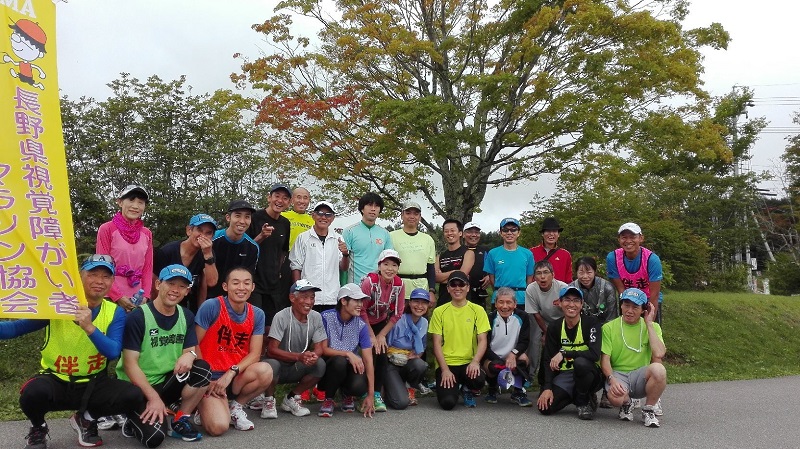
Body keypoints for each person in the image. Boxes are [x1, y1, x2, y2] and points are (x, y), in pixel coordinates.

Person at [0, 255, 144, 449]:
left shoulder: (114, 312)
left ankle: (85, 419)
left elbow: (113, 352)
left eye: (106, 276)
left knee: (133, 395)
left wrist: (89, 328)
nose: (100, 281)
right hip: (56, 380)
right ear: (80, 276)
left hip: (93, 382)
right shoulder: (59, 306)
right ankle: (38, 428)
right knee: (31, 393)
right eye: (93, 274)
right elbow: (15, 329)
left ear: (112, 282)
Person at [116, 264, 211, 445]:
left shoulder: (186, 315)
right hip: (137, 388)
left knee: (202, 369)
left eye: (182, 286)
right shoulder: (137, 317)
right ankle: (132, 416)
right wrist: (153, 398)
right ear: (158, 284)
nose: (175, 290)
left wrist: (190, 354)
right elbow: (129, 364)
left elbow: (191, 350)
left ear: (187, 291)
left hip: (167, 382)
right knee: (154, 438)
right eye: (171, 283)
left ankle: (179, 419)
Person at [195, 267, 273, 435]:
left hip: (233, 376)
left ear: (252, 287)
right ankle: (200, 405)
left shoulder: (257, 314)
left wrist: (230, 373)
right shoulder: (212, 306)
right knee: (218, 427)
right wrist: (204, 377)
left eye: (246, 283)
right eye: (235, 283)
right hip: (210, 375)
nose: (241, 288)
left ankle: (236, 406)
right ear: (225, 286)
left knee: (265, 370)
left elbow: (255, 354)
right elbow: (194, 344)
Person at [255, 280, 328, 419]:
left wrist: (312, 355)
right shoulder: (281, 316)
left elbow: (320, 347)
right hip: (279, 365)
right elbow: (271, 350)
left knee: (320, 364)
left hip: (298, 365)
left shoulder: (316, 317)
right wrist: (299, 357)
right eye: (304, 297)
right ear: (292, 298)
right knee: (272, 364)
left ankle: (292, 397)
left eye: (312, 297)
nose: (309, 301)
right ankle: (269, 399)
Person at [601, 288, 667, 427]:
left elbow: (659, 353)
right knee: (615, 399)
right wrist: (612, 380)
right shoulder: (608, 327)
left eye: (635, 307)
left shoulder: (653, 327)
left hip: (640, 375)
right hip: (619, 375)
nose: (629, 310)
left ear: (644, 309)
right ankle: (627, 403)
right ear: (621, 305)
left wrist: (649, 324)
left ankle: (648, 409)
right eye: (626, 305)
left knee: (659, 369)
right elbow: (605, 359)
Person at [537, 286, 603, 420]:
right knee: (545, 409)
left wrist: (565, 353)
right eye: (567, 300)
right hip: (566, 374)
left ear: (582, 304)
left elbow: (594, 354)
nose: (571, 304)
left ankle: (583, 401)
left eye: (576, 300)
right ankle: (576, 395)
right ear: (560, 303)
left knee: (581, 363)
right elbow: (547, 359)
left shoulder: (592, 323)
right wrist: (547, 387)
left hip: (590, 374)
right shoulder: (554, 327)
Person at [429, 271, 491, 410]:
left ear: (468, 287)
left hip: (468, 363)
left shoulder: (478, 310)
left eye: (461, 284)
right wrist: (444, 369)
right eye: (453, 284)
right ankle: (455, 387)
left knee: (478, 380)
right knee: (448, 403)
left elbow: (482, 340)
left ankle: (467, 388)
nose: (458, 288)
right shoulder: (439, 312)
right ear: (448, 288)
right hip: (447, 363)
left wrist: (475, 362)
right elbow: (437, 344)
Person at [318, 284, 376, 418]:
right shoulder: (326, 317)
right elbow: (323, 349)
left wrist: (371, 394)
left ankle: (347, 394)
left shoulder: (361, 325)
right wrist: (347, 353)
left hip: (350, 367)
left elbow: (368, 359)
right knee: (339, 361)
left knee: (360, 386)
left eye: (361, 301)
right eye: (356, 300)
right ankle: (329, 399)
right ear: (343, 301)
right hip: (329, 366)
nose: (360, 305)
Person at [358, 249, 406, 412]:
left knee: (382, 353)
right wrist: (372, 336)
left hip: (380, 323)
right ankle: (362, 393)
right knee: (369, 352)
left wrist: (381, 335)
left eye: (394, 265)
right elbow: (361, 310)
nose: (390, 268)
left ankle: (377, 393)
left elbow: (398, 312)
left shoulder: (399, 284)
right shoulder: (369, 282)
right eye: (386, 264)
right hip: (361, 322)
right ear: (379, 266)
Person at [96, 184, 153, 312]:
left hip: (138, 297)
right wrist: (118, 296)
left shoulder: (147, 233)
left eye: (140, 202)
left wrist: (146, 296)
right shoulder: (107, 229)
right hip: (110, 296)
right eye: (131, 200)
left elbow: (147, 268)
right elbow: (102, 266)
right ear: (120, 202)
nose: (135, 206)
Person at [570, 256, 618, 408]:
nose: (585, 276)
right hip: (581, 330)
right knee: (583, 358)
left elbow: (611, 317)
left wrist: (598, 338)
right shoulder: (572, 288)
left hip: (604, 328)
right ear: (576, 272)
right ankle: (588, 390)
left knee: (607, 354)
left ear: (595, 272)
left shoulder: (608, 288)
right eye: (581, 272)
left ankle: (606, 390)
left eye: (589, 272)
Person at [289, 201, 350, 312]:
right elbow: (296, 266)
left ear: (333, 218)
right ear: (313, 215)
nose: (323, 217)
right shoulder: (303, 238)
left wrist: (346, 254)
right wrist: (298, 292)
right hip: (308, 298)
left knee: (328, 329)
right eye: (320, 213)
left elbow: (344, 268)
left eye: (328, 215)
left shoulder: (338, 239)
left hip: (332, 297)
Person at [152, 213, 219, 312]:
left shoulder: (207, 253)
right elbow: (154, 284)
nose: (203, 236)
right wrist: (157, 311)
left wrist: (208, 255)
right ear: (189, 230)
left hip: (188, 309)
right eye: (199, 230)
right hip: (164, 306)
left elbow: (210, 282)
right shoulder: (167, 252)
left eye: (208, 233)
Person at [248, 183, 292, 324]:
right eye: (277, 196)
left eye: (285, 198)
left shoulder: (285, 223)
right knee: (255, 324)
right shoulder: (255, 218)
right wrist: (261, 236)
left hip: (273, 284)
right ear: (269, 198)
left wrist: (278, 270)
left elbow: (283, 251)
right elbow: (245, 248)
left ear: (289, 203)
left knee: (271, 327)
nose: (280, 201)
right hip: (254, 282)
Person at [483, 287, 532, 406]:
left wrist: (513, 354)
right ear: (495, 304)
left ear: (515, 304)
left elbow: (524, 341)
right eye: (501, 302)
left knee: (524, 359)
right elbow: (485, 345)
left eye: (509, 302)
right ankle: (492, 389)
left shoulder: (523, 317)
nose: (505, 306)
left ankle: (518, 391)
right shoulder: (489, 318)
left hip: (513, 355)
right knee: (493, 366)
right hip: (493, 355)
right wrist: (499, 360)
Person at [606, 222, 664, 323]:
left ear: (641, 238)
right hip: (627, 299)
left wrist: (650, 323)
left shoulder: (652, 260)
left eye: (633, 237)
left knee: (650, 335)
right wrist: (628, 308)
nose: (628, 241)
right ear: (619, 240)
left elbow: (654, 294)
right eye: (624, 237)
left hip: (648, 300)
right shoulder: (613, 258)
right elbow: (621, 290)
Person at [383, 288, 430, 409]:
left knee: (421, 365)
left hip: (407, 362)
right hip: (392, 363)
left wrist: (417, 355)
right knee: (401, 403)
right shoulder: (398, 320)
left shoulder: (424, 322)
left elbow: (422, 346)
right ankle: (389, 389)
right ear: (409, 303)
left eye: (424, 302)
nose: (419, 306)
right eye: (416, 301)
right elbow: (386, 344)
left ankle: (409, 388)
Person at [524, 260, 567, 383]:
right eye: (538, 273)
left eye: (546, 272)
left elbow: (571, 312)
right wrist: (546, 333)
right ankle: (530, 376)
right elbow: (536, 314)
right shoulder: (531, 289)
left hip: (562, 321)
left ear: (553, 275)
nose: (542, 277)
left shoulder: (563, 288)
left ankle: (562, 374)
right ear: (534, 277)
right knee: (534, 341)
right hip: (542, 320)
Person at [208, 200, 259, 299]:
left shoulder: (253, 248)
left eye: (247, 217)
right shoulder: (212, 239)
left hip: (236, 299)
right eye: (238, 216)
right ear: (228, 217)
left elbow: (247, 280)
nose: (242, 221)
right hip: (210, 298)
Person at [389, 200, 437, 304]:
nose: (412, 216)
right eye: (408, 213)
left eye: (416, 214)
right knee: (396, 319)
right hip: (397, 289)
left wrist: (432, 291)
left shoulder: (428, 239)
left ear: (420, 217)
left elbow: (431, 268)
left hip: (421, 289)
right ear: (402, 216)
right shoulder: (391, 237)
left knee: (421, 320)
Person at [342, 192, 394, 284]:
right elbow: (343, 265)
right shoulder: (349, 231)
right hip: (356, 286)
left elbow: (389, 260)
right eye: (370, 205)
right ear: (362, 208)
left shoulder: (385, 233)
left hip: (378, 287)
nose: (373, 209)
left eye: (377, 206)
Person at [483, 217, 534, 307]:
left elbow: (529, 278)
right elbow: (492, 278)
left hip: (520, 299)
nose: (509, 233)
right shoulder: (493, 253)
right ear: (501, 233)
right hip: (499, 299)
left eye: (513, 230)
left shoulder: (527, 254)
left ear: (518, 233)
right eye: (506, 230)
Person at [435, 219, 475, 305]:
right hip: (443, 301)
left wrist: (444, 277)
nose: (449, 233)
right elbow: (436, 277)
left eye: (452, 230)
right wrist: (454, 272)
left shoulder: (468, 253)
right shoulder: (440, 256)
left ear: (460, 233)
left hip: (462, 303)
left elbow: (461, 277)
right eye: (446, 231)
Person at [530, 217, 573, 283]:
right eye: (548, 231)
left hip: (559, 291)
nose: (551, 234)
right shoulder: (531, 253)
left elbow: (568, 279)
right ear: (542, 234)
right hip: (537, 291)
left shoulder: (565, 254)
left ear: (558, 234)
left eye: (554, 231)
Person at [463, 222, 490, 306]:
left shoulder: (485, 250)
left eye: (476, 232)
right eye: (470, 232)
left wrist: (489, 276)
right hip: (460, 291)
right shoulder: (459, 250)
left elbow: (492, 268)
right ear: (463, 234)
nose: (473, 235)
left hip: (479, 293)